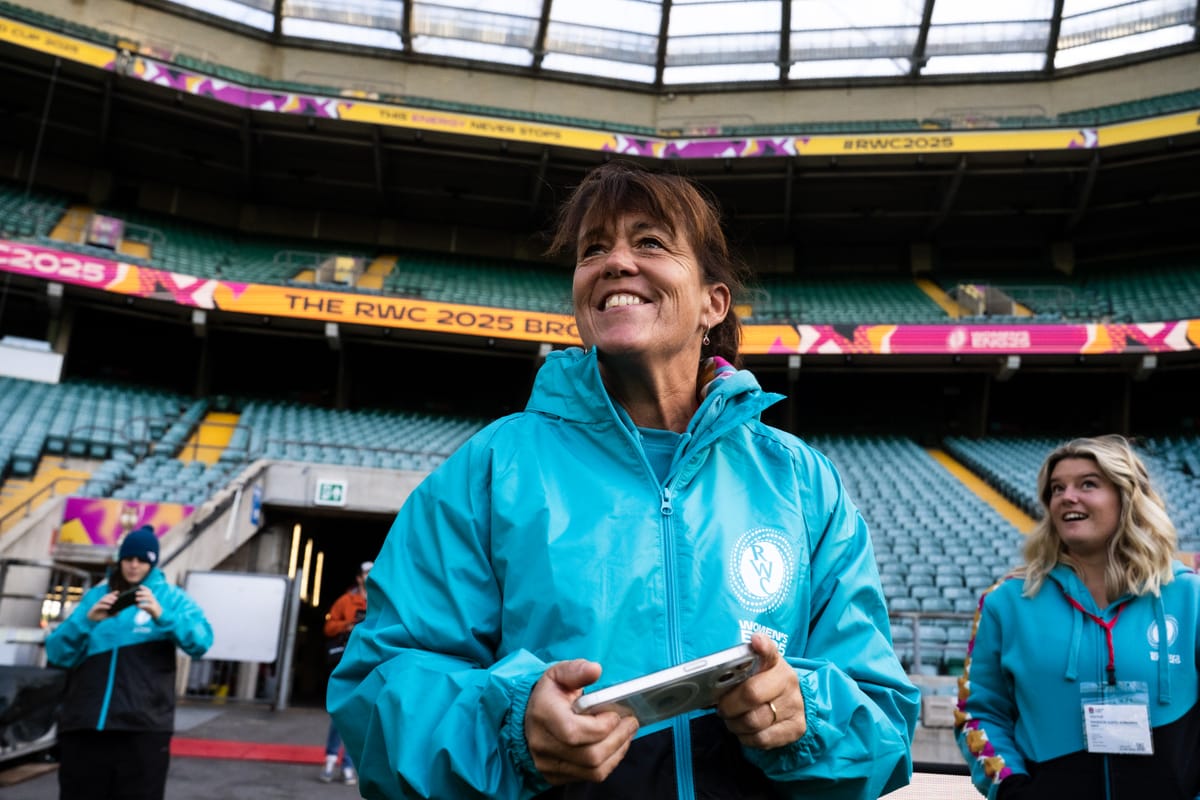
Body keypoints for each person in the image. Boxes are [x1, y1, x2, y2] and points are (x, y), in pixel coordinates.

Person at [328, 159, 920, 799]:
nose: (614, 262)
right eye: (593, 250)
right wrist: (509, 727)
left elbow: (884, 718)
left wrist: (806, 714)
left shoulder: (804, 483)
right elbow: (378, 689)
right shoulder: (492, 469)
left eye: (650, 242)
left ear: (711, 304)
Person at [955, 434, 1200, 799]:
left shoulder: (1190, 597)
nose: (1067, 497)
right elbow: (977, 713)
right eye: (1057, 488)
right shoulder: (1005, 603)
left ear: (1128, 496)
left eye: (1088, 484)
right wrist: (1012, 789)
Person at [44, 524, 213, 800]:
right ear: (120, 560)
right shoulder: (96, 598)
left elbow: (201, 643)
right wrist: (86, 622)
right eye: (128, 559)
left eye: (142, 560)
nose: (134, 566)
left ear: (153, 563)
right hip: (86, 726)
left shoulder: (171, 598)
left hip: (142, 729)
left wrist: (163, 616)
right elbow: (57, 653)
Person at [320, 560, 372, 785]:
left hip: (369, 663)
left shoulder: (385, 600)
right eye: (367, 573)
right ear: (360, 578)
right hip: (345, 661)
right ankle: (331, 759)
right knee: (341, 713)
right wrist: (349, 624)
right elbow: (328, 627)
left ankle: (349, 764)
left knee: (360, 715)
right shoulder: (346, 601)